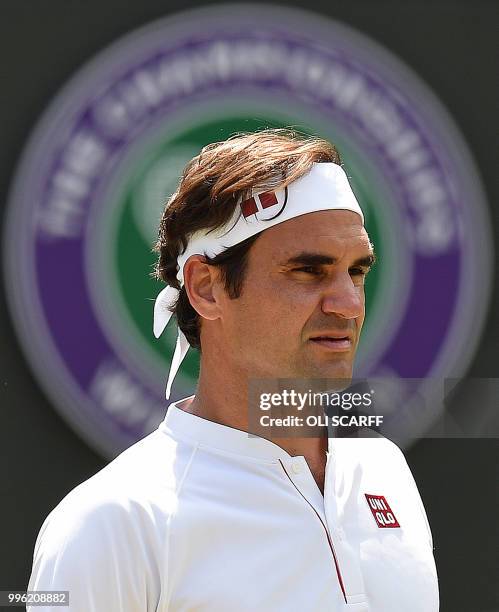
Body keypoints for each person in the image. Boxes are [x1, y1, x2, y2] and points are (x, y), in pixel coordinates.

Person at [28, 129, 439, 611]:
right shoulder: (114, 522)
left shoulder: (384, 469)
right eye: (308, 271)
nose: (349, 304)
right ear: (205, 287)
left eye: (357, 271)